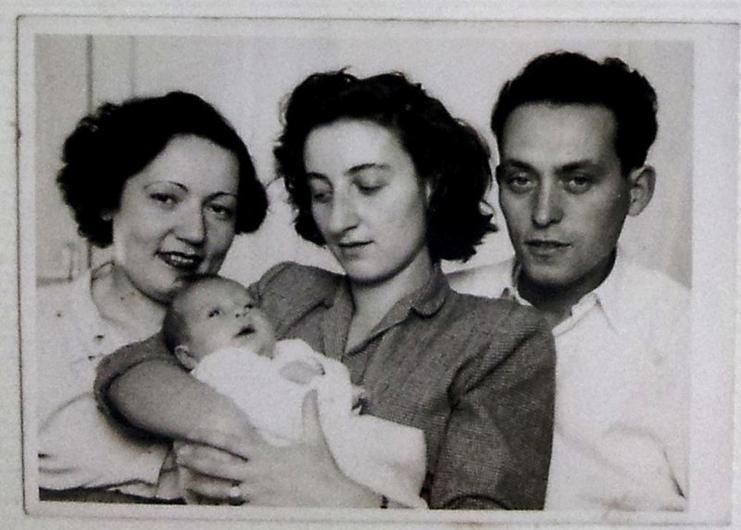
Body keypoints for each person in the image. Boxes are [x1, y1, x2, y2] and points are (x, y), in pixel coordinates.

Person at [94, 70, 556, 509]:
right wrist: (228, 428)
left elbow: (486, 518)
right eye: (321, 193)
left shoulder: (501, 338)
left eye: (368, 186)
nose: (338, 220)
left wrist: (340, 501)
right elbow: (126, 369)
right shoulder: (283, 289)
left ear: (430, 184)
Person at [450, 51, 689, 511]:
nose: (543, 213)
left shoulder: (689, 333)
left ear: (636, 192)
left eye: (577, 181)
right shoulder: (448, 303)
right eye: (520, 180)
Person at [37, 91, 268, 503]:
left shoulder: (260, 328)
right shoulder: (30, 332)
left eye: (219, 209)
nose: (195, 232)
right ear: (109, 199)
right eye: (165, 198)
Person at [163, 274, 427, 508]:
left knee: (378, 445)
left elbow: (332, 372)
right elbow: (263, 409)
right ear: (187, 356)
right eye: (215, 313)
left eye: (249, 306)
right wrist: (317, 390)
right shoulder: (214, 368)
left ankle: (395, 501)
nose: (240, 313)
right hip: (247, 476)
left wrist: (335, 387)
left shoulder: (289, 350)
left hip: (313, 471)